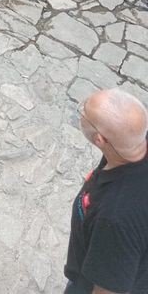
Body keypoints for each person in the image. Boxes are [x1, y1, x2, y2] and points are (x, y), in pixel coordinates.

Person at [64, 88, 148, 293]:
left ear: (100, 140)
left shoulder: (115, 219)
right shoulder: (132, 144)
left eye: (84, 112)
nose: (81, 111)